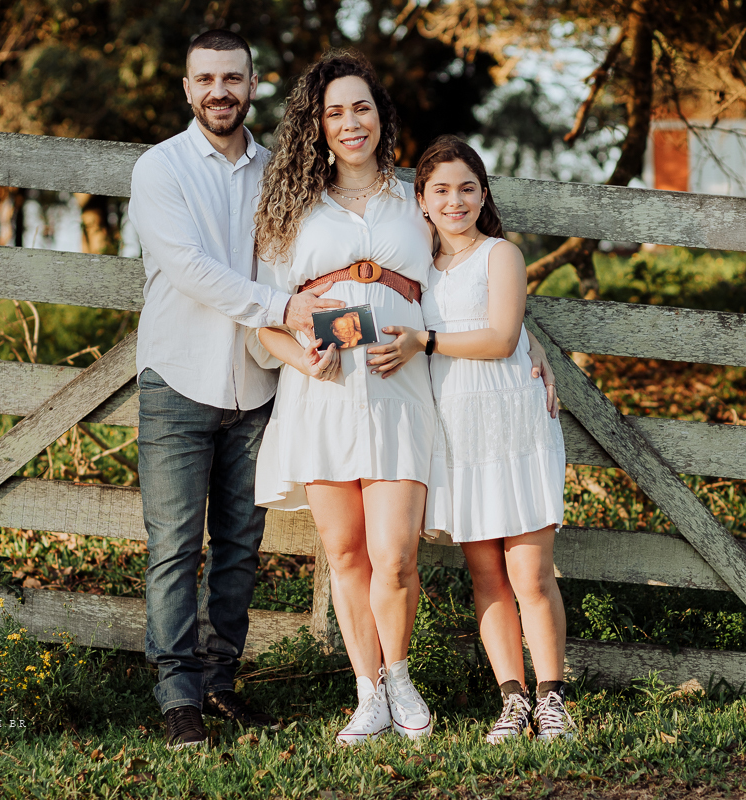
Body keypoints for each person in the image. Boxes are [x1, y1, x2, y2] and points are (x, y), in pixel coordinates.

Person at [127, 30, 343, 751]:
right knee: (174, 545)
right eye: (206, 79)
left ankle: (221, 684)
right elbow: (189, 268)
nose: (220, 90)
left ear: (255, 85)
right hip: (178, 378)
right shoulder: (160, 169)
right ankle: (177, 696)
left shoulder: (280, 173)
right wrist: (283, 309)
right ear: (187, 89)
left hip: (258, 383)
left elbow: (307, 259)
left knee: (241, 548)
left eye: (233, 78)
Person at [248, 50, 437, 745]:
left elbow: (467, 282)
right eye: (334, 112)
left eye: (361, 108)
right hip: (322, 399)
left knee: (395, 556)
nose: (350, 123)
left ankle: (401, 674)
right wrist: (306, 358)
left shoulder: (417, 201)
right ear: (316, 127)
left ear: (380, 117)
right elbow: (266, 321)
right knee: (347, 551)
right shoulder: (291, 211)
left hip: (398, 392)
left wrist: (421, 341)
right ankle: (368, 694)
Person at [366, 135, 576, 743]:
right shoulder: (417, 273)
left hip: (513, 424)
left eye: (466, 188)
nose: (454, 200)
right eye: (440, 190)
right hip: (458, 432)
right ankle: (512, 700)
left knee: (531, 576)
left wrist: (426, 342)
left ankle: (552, 697)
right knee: (486, 578)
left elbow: (503, 338)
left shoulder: (499, 254)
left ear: (483, 195)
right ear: (422, 202)